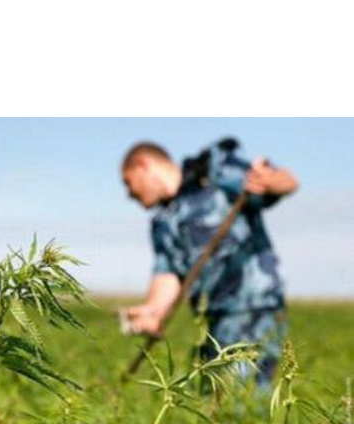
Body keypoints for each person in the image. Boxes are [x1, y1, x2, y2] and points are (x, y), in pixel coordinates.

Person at [120, 138, 298, 385]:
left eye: (128, 182)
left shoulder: (215, 170)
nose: (130, 194)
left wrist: (269, 180)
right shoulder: (162, 221)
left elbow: (286, 182)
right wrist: (154, 311)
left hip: (253, 310)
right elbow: (169, 271)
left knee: (239, 407)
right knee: (208, 405)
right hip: (213, 321)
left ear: (144, 164)